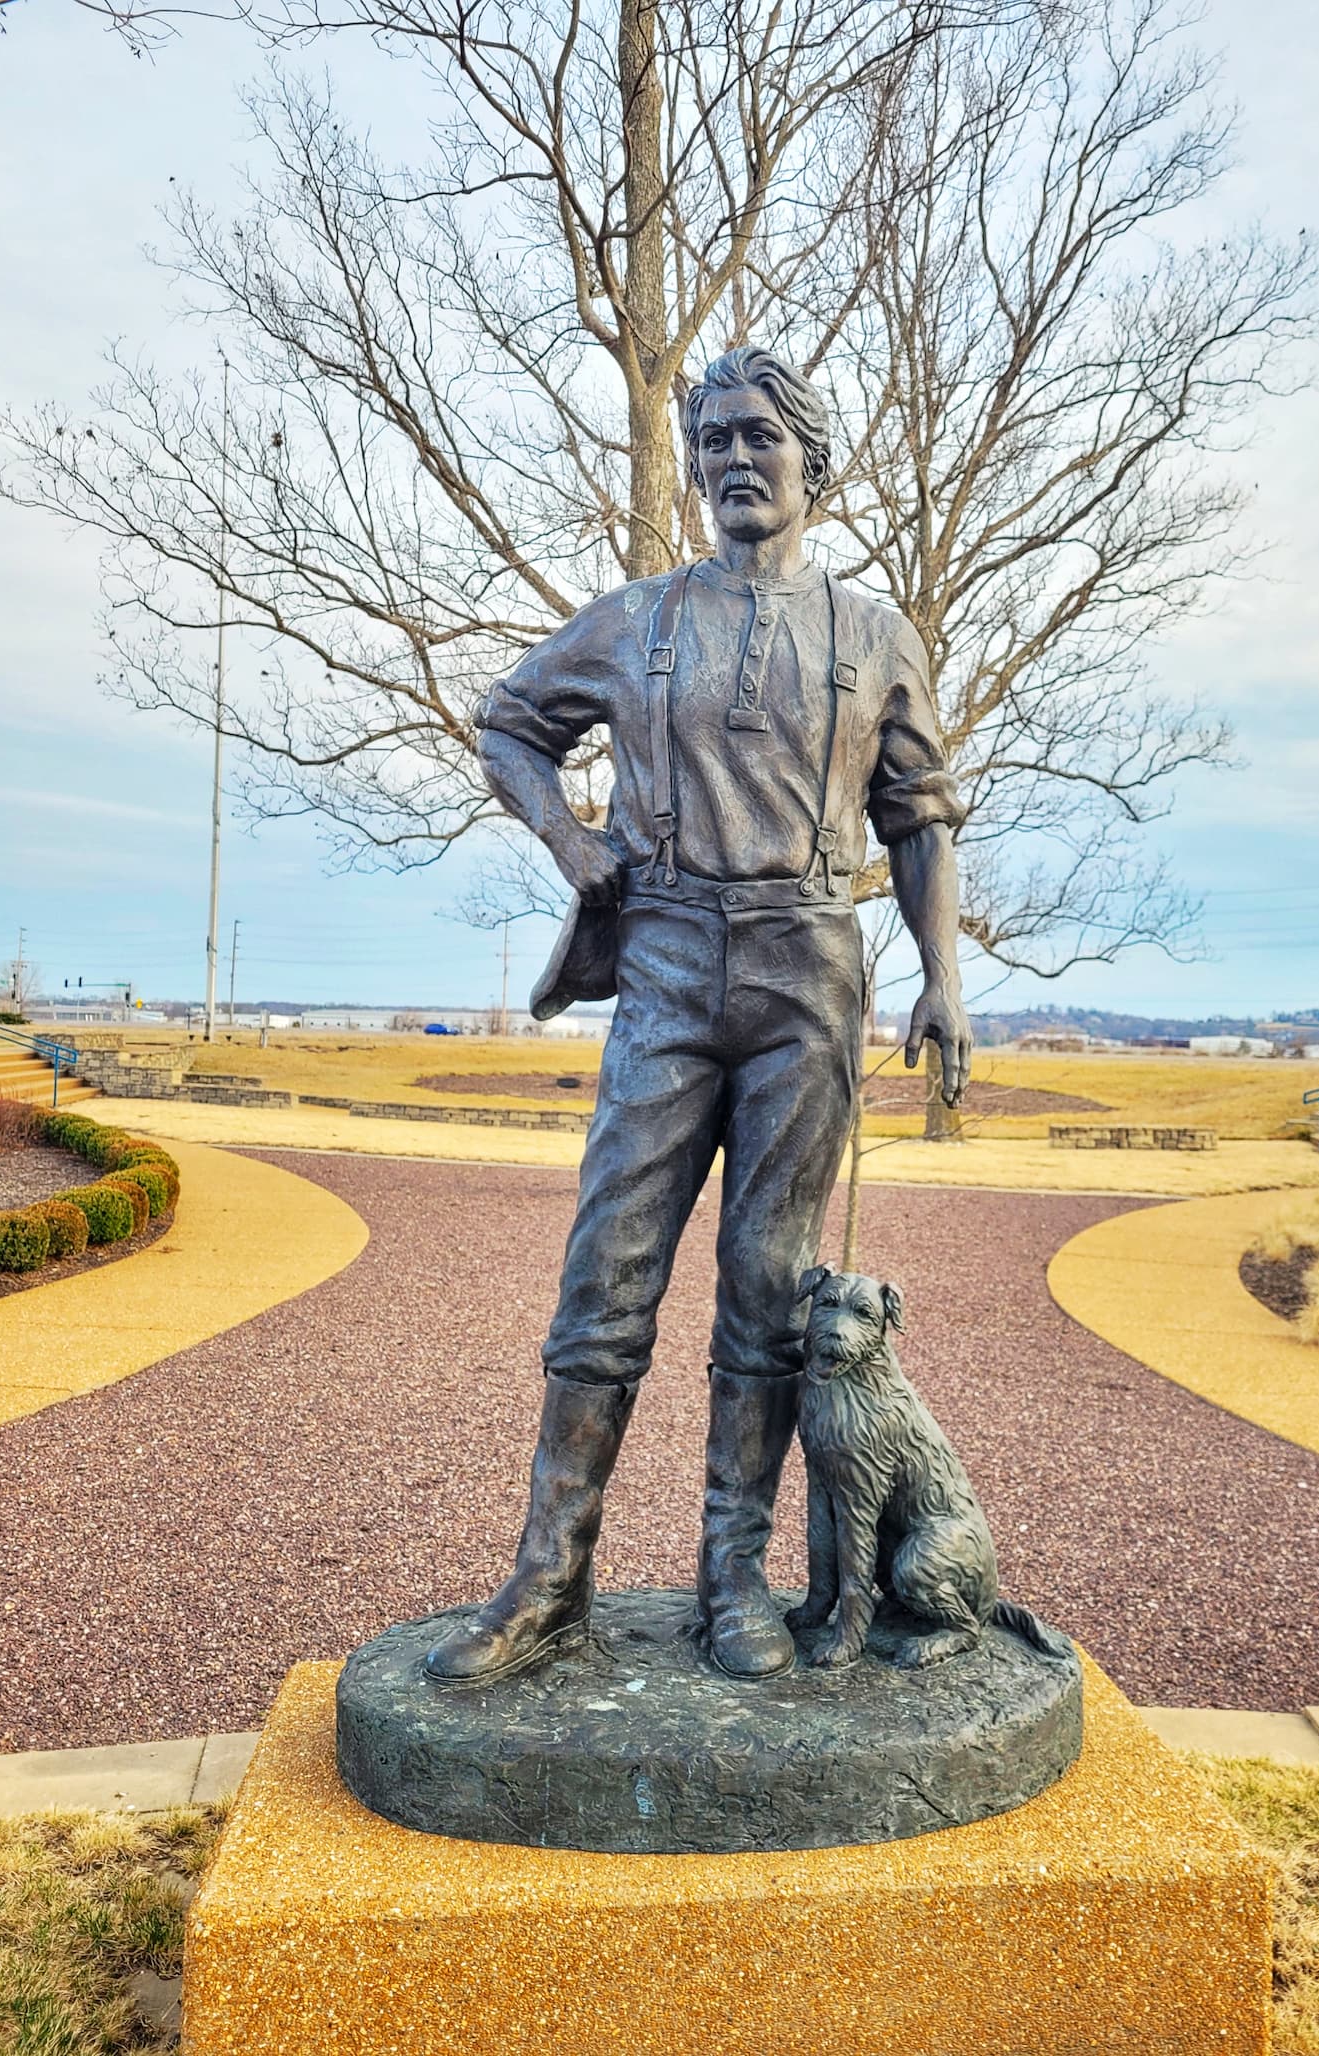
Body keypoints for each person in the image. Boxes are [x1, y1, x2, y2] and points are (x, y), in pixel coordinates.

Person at [426, 345, 971, 1685]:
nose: (734, 459)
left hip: (808, 976)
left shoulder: (875, 637)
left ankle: (735, 1576)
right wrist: (568, 840)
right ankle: (549, 1581)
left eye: (758, 438)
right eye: (713, 439)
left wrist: (944, 977)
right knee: (606, 1271)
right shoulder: (634, 620)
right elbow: (508, 725)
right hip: (666, 961)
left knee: (770, 1294)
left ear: (811, 465)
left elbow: (918, 819)